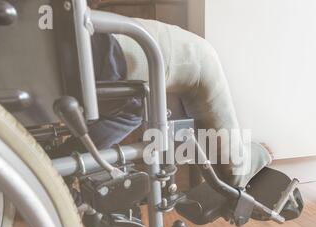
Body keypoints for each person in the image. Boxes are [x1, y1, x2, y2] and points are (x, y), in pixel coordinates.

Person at [55, 19, 272, 188]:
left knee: (131, 109)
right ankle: (237, 168)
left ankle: (59, 163)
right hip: (85, 51)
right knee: (203, 56)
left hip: (40, 82)